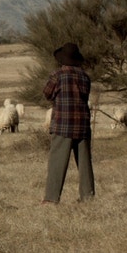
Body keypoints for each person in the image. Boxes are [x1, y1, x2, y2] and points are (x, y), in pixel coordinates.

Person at [41, 42, 94, 204]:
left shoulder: (57, 75)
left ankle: (51, 198)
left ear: (62, 59)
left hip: (63, 125)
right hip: (83, 125)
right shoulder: (85, 77)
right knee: (85, 163)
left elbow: (47, 94)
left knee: (57, 161)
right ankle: (88, 197)